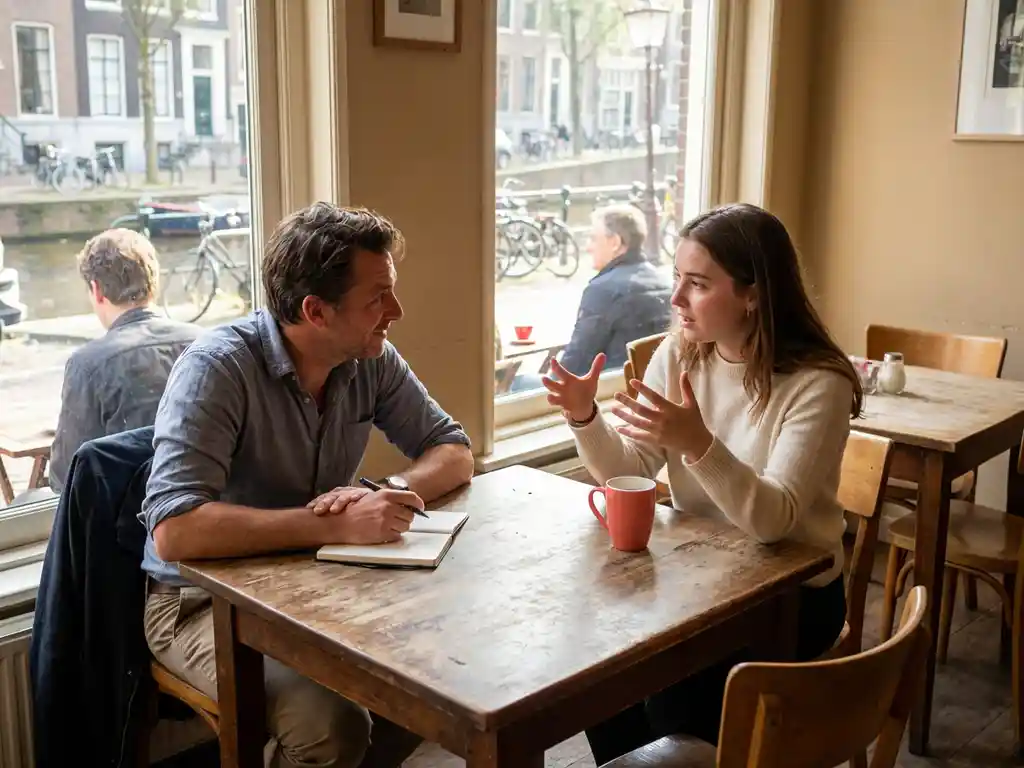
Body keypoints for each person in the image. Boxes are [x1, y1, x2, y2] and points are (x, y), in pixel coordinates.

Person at [140, 203, 474, 768]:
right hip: (200, 603)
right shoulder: (216, 369)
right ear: (316, 310)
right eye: (377, 298)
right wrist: (332, 524)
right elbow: (173, 530)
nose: (396, 310)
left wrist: (380, 490)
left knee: (445, 676)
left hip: (317, 581)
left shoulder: (369, 357)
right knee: (332, 725)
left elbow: (454, 452)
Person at [543, 202, 862, 761]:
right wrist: (583, 416)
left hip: (793, 597)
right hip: (702, 583)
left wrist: (698, 445)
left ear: (752, 294)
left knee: (669, 705)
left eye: (697, 284)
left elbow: (775, 520)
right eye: (677, 280)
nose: (675, 300)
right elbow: (633, 470)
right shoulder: (681, 352)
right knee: (595, 679)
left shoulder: (817, 383)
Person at [49, 229, 199, 494]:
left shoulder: (87, 364)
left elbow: (66, 476)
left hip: (128, 521)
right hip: (205, 504)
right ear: (155, 282)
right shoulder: (205, 342)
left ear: (96, 290)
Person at [510, 204, 672, 392]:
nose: (588, 247)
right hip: (647, 390)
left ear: (615, 243)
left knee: (518, 384)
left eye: (594, 239)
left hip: (606, 395)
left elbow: (571, 369)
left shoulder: (603, 290)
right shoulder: (665, 282)